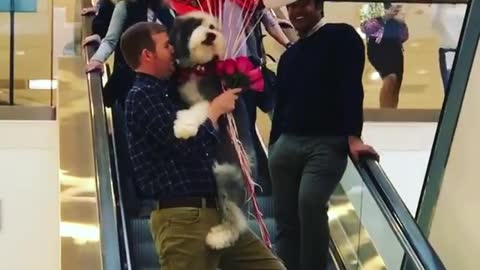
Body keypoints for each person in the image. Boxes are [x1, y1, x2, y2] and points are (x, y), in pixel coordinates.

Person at [121, 21, 286, 270]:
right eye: (167, 46)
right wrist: (215, 110)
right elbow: (185, 144)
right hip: (182, 220)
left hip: (217, 213)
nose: (174, 50)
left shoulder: (169, 91)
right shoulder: (142, 96)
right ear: (147, 55)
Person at [264, 0, 379, 269]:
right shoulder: (290, 56)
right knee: (285, 222)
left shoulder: (342, 36)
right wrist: (273, 144)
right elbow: (281, 106)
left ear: (318, 6)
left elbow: (352, 87)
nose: (295, 12)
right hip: (286, 145)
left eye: (303, 5)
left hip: (326, 145)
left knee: (311, 204)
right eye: (291, 7)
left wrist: (354, 137)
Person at [86, 0, 176, 107]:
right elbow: (111, 40)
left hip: (164, 81)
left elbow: (176, 39)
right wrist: (97, 59)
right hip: (130, 79)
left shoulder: (165, 8)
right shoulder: (124, 7)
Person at [361, 3, 409, 108]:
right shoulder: (372, 5)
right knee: (391, 77)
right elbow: (366, 29)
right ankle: (384, 114)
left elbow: (404, 36)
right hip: (379, 46)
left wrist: (402, 23)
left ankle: (391, 115)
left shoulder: (398, 7)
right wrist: (385, 17)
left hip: (396, 49)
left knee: (396, 86)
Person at [430, 4, 466, 96]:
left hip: (471, 52)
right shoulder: (440, 6)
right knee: (453, 94)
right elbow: (435, 24)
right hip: (449, 53)